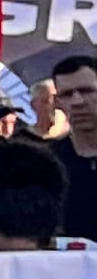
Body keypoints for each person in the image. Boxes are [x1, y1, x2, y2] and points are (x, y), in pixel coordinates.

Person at [52, 52, 97, 242]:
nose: (77, 102)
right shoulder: (47, 161)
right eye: (67, 95)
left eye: (86, 91)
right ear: (58, 103)